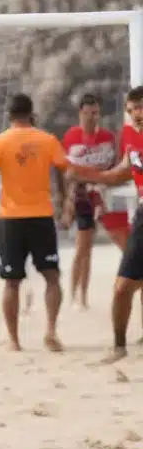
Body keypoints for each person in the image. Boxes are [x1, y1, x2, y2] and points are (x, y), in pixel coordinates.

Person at [0, 93, 72, 351]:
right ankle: (51, 331)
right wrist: (63, 199)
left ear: (9, 116)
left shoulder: (0, 141)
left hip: (11, 219)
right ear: (31, 113)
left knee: (11, 281)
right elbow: (63, 170)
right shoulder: (47, 139)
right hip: (41, 216)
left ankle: (14, 340)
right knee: (51, 276)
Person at [72, 85, 143, 362]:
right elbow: (121, 172)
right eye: (131, 110)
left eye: (139, 108)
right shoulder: (130, 137)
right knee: (123, 287)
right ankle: (119, 346)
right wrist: (86, 175)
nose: (135, 114)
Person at [61, 95, 118, 308]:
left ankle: (83, 296)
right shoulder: (71, 137)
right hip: (81, 195)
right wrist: (66, 202)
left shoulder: (108, 137)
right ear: (81, 113)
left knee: (92, 247)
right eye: (89, 113)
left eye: (96, 113)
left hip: (104, 195)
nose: (93, 117)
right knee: (82, 246)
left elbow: (114, 168)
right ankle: (74, 295)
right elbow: (66, 173)